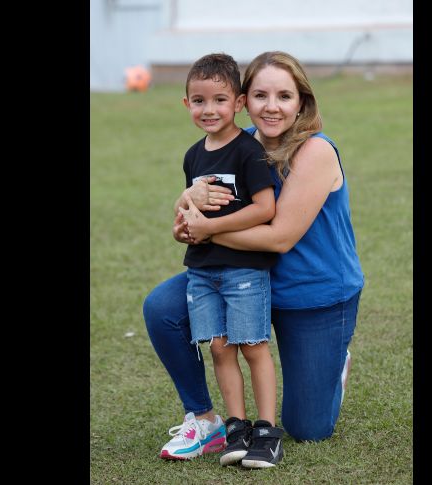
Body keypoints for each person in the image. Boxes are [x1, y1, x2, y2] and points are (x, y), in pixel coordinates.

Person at [145, 50, 363, 462]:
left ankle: (335, 359)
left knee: (308, 429)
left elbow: (279, 237)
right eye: (260, 95)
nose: (272, 106)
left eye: (284, 95)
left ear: (302, 100)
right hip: (239, 275)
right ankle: (206, 419)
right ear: (244, 100)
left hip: (310, 291)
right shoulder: (238, 142)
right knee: (162, 308)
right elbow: (199, 196)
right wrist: (184, 212)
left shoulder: (316, 151)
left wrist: (205, 231)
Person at [158, 53, 284, 469]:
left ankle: (266, 431)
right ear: (186, 104)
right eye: (198, 101)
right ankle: (236, 426)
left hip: (244, 271)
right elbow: (190, 215)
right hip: (201, 272)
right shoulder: (193, 156)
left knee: (252, 347)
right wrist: (185, 225)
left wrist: (214, 228)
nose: (208, 110)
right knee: (219, 348)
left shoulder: (248, 151)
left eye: (219, 100)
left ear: (239, 103)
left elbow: (265, 208)